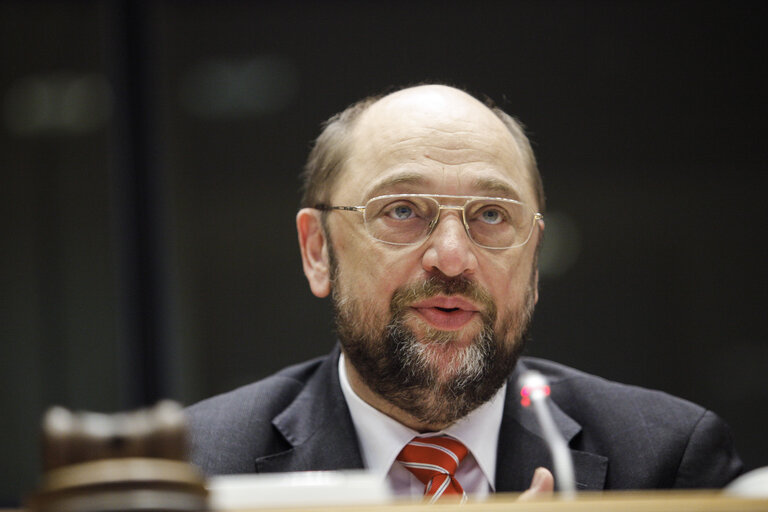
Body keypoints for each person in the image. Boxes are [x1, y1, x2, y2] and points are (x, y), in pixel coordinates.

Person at [186, 84, 743, 498]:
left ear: (533, 258)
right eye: (401, 210)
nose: (452, 258)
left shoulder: (666, 461)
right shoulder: (197, 470)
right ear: (318, 250)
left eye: (493, 215)